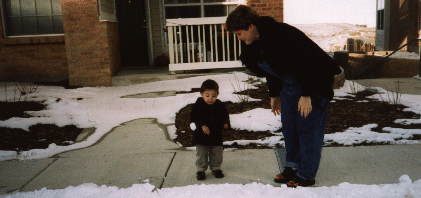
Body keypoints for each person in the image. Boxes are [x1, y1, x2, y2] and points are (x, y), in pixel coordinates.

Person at [225, 5, 342, 187]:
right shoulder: (258, 42)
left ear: (250, 26)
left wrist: (306, 94)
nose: (238, 38)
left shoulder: (280, 35)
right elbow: (271, 69)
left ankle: (306, 174)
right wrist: (274, 95)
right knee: (289, 128)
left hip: (314, 83)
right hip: (290, 85)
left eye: (239, 33)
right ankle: (292, 168)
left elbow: (307, 62)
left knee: (307, 130)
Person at [190, 79, 230, 180]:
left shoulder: (220, 105)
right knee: (201, 154)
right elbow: (193, 117)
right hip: (201, 136)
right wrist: (201, 125)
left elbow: (224, 116)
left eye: (213, 96)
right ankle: (201, 170)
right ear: (201, 94)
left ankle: (216, 168)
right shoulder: (198, 105)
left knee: (216, 152)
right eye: (207, 95)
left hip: (215, 134)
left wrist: (225, 123)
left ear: (217, 94)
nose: (210, 99)